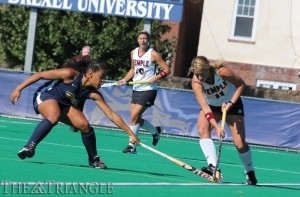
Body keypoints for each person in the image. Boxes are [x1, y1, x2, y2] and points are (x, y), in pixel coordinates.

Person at [10, 56, 140, 169]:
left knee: (85, 125)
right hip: (45, 96)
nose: (103, 80)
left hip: (64, 105)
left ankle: (93, 159)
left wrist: (131, 134)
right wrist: (18, 88)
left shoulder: (93, 93)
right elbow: (40, 75)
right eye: (101, 77)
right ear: (90, 74)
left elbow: (111, 115)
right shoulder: (70, 74)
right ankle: (29, 147)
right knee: (53, 115)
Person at [189, 56, 257, 185]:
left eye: (202, 74)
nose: (200, 78)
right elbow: (205, 108)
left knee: (240, 144)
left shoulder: (222, 72)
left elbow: (241, 85)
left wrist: (231, 103)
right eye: (197, 74)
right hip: (212, 107)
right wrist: (217, 126)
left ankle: (249, 171)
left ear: (208, 69)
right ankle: (213, 167)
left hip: (232, 103)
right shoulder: (196, 82)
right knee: (203, 129)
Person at [117, 30, 170, 154]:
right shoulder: (133, 53)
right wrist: (124, 80)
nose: (143, 40)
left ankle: (131, 145)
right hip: (136, 88)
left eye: (145, 38)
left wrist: (155, 78)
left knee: (134, 117)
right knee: (136, 119)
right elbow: (133, 69)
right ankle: (155, 131)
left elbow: (167, 70)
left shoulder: (153, 54)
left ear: (148, 40)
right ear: (137, 40)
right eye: (140, 38)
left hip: (148, 89)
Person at [68, 45, 92, 132]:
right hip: (74, 85)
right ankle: (72, 122)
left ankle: (76, 125)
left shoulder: (91, 63)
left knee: (80, 105)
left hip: (84, 87)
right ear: (82, 52)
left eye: (89, 53)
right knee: (73, 103)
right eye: (86, 52)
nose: (87, 54)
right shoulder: (76, 60)